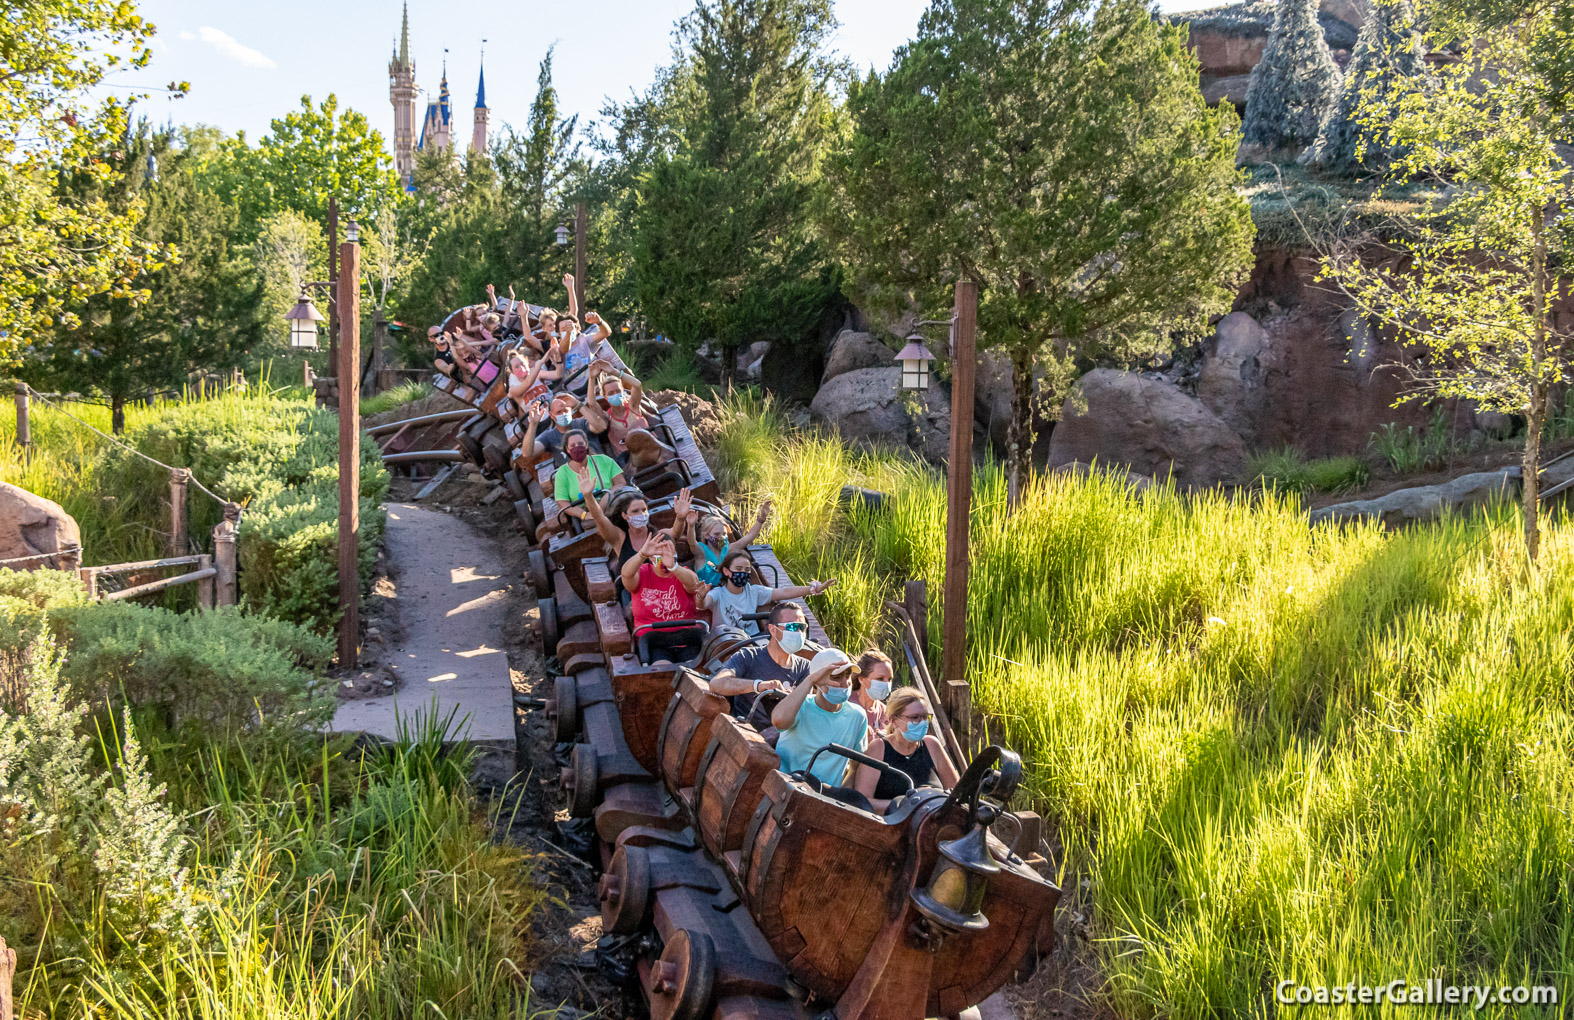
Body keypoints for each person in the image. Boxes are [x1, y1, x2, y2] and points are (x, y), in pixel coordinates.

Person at [771, 648, 869, 791]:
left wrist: (840, 796)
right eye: (836, 677)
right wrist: (810, 680)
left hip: (823, 800)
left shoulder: (857, 716)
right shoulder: (801, 705)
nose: (845, 683)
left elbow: (856, 765)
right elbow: (778, 721)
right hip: (783, 787)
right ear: (818, 680)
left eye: (847, 676)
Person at [853, 688, 959, 814]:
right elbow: (862, 801)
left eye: (925, 717)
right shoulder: (879, 748)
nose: (922, 722)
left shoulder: (932, 745)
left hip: (932, 822)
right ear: (894, 720)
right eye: (914, 718)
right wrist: (908, 805)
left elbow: (957, 793)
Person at [707, 601, 812, 726]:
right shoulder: (748, 656)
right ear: (773, 629)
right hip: (745, 732)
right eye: (793, 627)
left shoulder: (806, 667)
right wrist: (759, 685)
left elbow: (805, 711)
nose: (799, 633)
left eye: (802, 628)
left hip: (782, 735)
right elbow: (716, 684)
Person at [622, 531, 709, 664]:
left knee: (692, 670)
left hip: (687, 638)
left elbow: (692, 584)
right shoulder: (643, 573)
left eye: (668, 552)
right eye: (659, 554)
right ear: (651, 557)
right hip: (654, 642)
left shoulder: (682, 573)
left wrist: (673, 567)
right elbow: (626, 575)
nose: (663, 558)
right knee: (662, 669)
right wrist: (642, 554)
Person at [703, 550, 835, 636]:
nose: (743, 573)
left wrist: (813, 589)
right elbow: (704, 603)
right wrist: (700, 596)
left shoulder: (754, 591)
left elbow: (783, 592)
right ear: (726, 571)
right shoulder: (718, 593)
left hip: (752, 638)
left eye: (747, 570)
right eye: (738, 569)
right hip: (725, 639)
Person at [692, 499, 771, 586]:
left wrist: (761, 518)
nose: (721, 537)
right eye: (717, 534)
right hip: (709, 592)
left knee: (750, 568)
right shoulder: (702, 552)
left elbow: (749, 536)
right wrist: (691, 525)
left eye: (724, 534)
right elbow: (691, 542)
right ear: (707, 535)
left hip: (727, 591)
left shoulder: (728, 549)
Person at [554, 431, 625, 518]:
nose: (577, 448)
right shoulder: (562, 473)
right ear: (567, 449)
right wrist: (584, 515)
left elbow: (621, 483)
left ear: (586, 445)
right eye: (573, 446)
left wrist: (608, 496)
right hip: (586, 513)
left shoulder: (604, 460)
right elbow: (562, 502)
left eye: (580, 444)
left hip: (611, 504)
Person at [590, 362, 649, 462]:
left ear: (623, 391)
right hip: (628, 460)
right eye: (611, 393)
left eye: (618, 391)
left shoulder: (632, 406)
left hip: (648, 447)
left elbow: (637, 385)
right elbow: (591, 403)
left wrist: (614, 371)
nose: (615, 394)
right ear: (605, 397)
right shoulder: (607, 417)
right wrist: (591, 378)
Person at [850, 649, 894, 736]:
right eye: (880, 679)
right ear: (861, 679)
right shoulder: (843, 706)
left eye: (889, 679)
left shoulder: (886, 713)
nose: (886, 684)